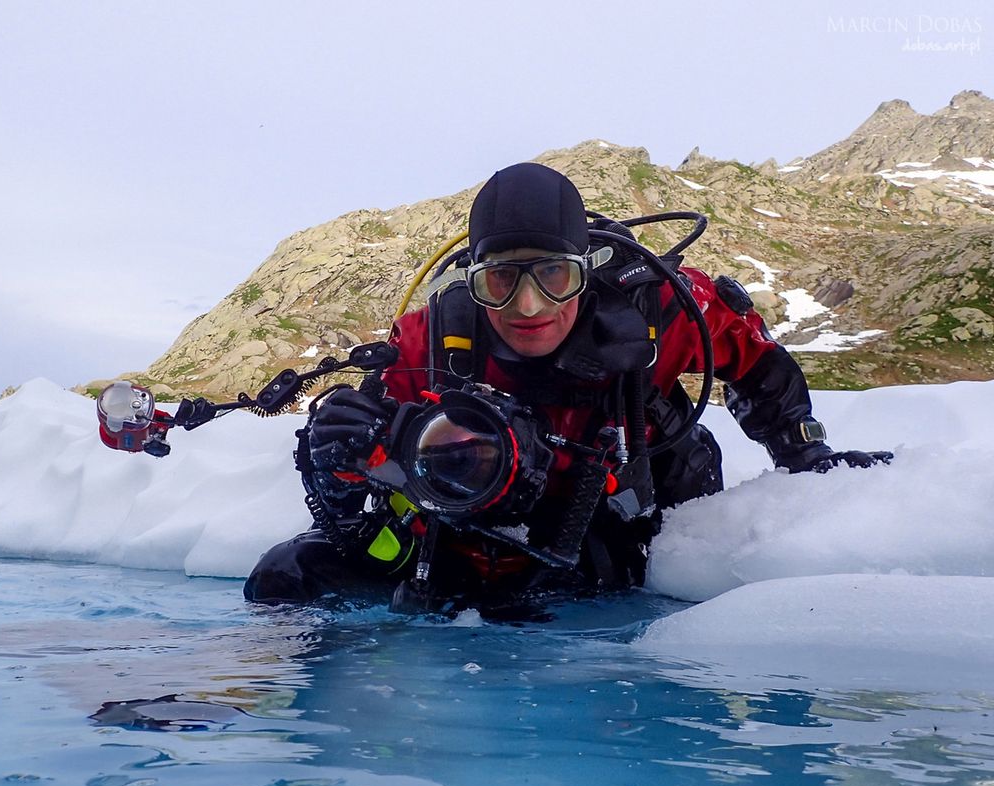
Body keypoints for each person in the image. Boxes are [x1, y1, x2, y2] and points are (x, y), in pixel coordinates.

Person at [244, 162, 890, 611]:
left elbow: (758, 363)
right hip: (474, 534)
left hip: (616, 523)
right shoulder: (433, 339)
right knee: (285, 574)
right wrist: (340, 468)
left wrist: (804, 456)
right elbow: (378, 467)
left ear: (588, 268)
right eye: (503, 280)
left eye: (555, 275)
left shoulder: (660, 308)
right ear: (473, 277)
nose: (529, 306)